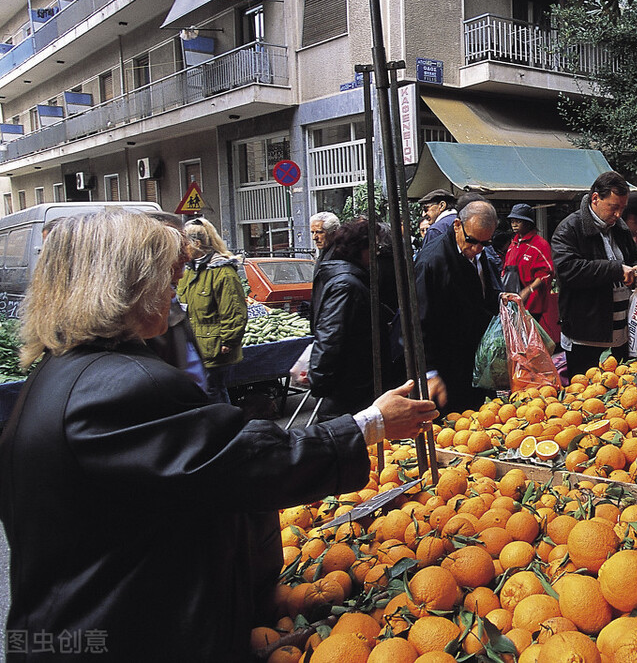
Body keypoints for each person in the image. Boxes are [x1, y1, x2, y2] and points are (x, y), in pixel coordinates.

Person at [0, 210, 439, 661]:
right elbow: (244, 462)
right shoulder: (120, 386)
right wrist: (370, 423)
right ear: (123, 286)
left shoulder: (62, 374)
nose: (175, 293)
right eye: (165, 278)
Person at [307, 218, 403, 420]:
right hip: (347, 392)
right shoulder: (346, 285)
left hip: (353, 387)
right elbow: (330, 337)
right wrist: (320, 382)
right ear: (359, 249)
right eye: (373, 247)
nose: (376, 253)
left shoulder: (351, 279)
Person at [414, 200, 502, 415]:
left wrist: (500, 298)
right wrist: (430, 373)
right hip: (446, 369)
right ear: (456, 225)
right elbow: (417, 321)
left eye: (484, 243)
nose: (476, 248)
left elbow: (479, 296)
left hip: (473, 363)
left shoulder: (479, 255)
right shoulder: (431, 262)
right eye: (471, 241)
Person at [551, 171, 637, 378]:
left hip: (621, 334)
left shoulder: (620, 228)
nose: (618, 214)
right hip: (586, 337)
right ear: (595, 199)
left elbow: (636, 257)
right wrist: (617, 270)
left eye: (622, 208)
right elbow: (568, 269)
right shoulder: (569, 229)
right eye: (613, 207)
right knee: (585, 395)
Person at [177, 217, 247, 404]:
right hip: (195, 345)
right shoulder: (189, 271)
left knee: (212, 391)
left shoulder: (222, 272)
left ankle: (224, 428)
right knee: (209, 391)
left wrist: (228, 341)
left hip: (215, 347)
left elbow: (234, 311)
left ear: (197, 244)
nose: (182, 250)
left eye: (185, 245)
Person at [144, 212, 207, 391]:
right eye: (176, 248)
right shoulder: (144, 309)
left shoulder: (170, 296)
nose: (187, 257)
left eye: (185, 246)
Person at [503, 203, 555, 327]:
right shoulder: (514, 244)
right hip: (512, 300)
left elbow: (547, 273)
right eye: (512, 221)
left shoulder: (540, 244)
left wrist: (529, 289)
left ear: (528, 223)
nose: (514, 224)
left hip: (532, 303)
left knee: (528, 337)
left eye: (518, 221)